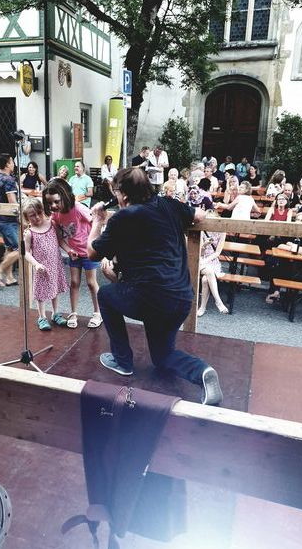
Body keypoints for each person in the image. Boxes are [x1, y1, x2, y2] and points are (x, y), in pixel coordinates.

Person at [86, 167, 223, 405]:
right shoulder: (170, 205)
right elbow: (200, 215)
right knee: (162, 356)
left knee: (106, 295)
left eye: (116, 192)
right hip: (181, 298)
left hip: (148, 298)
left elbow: (92, 253)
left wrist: (97, 221)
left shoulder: (122, 217)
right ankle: (203, 371)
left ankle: (122, 361)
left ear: (123, 194)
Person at [43, 179, 102, 329]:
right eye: (49, 203)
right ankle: (73, 312)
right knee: (74, 282)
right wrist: (68, 250)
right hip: (74, 253)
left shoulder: (78, 208)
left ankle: (98, 313)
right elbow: (59, 237)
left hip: (89, 252)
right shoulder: (56, 215)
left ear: (65, 196)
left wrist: (95, 245)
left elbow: (95, 223)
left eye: (56, 202)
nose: (53, 206)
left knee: (91, 283)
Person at [23, 199, 70, 330]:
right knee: (41, 292)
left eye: (39, 213)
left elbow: (60, 240)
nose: (37, 217)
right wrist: (36, 264)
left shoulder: (52, 224)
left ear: (43, 211)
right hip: (41, 267)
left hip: (55, 264)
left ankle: (55, 313)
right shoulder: (29, 233)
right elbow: (25, 252)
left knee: (55, 288)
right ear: (27, 218)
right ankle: (42, 317)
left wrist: (69, 251)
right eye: (32, 215)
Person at [0, 153, 20, 287]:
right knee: (20, 249)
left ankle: (9, 278)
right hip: (8, 220)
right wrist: (21, 217)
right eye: (12, 161)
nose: (13, 164)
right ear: (7, 164)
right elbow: (13, 203)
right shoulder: (9, 180)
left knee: (9, 247)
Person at [197, 216, 228, 317]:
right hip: (200, 259)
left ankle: (202, 308)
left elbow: (217, 253)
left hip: (212, 261)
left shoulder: (222, 232)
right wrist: (204, 245)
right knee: (209, 272)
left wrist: (205, 261)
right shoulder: (202, 230)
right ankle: (218, 301)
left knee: (205, 280)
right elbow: (200, 253)